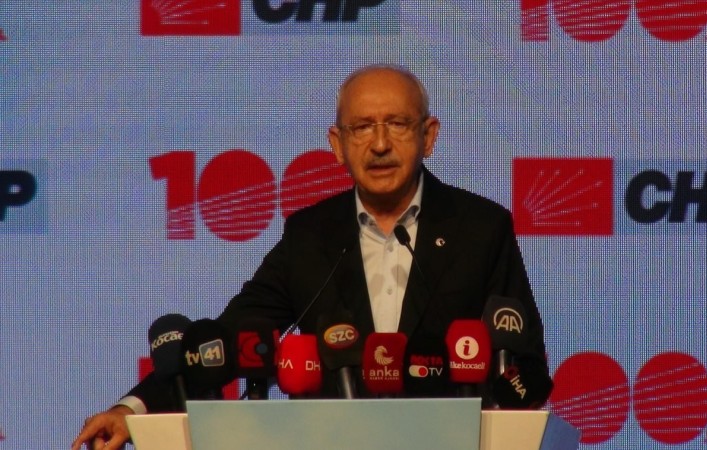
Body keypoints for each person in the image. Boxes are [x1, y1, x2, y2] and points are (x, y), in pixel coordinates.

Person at [72, 64, 551, 449]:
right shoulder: (310, 235)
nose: (379, 144)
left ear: (428, 136)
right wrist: (132, 410)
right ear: (337, 145)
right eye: (361, 128)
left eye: (397, 124)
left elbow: (525, 361)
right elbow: (226, 342)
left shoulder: (480, 228)